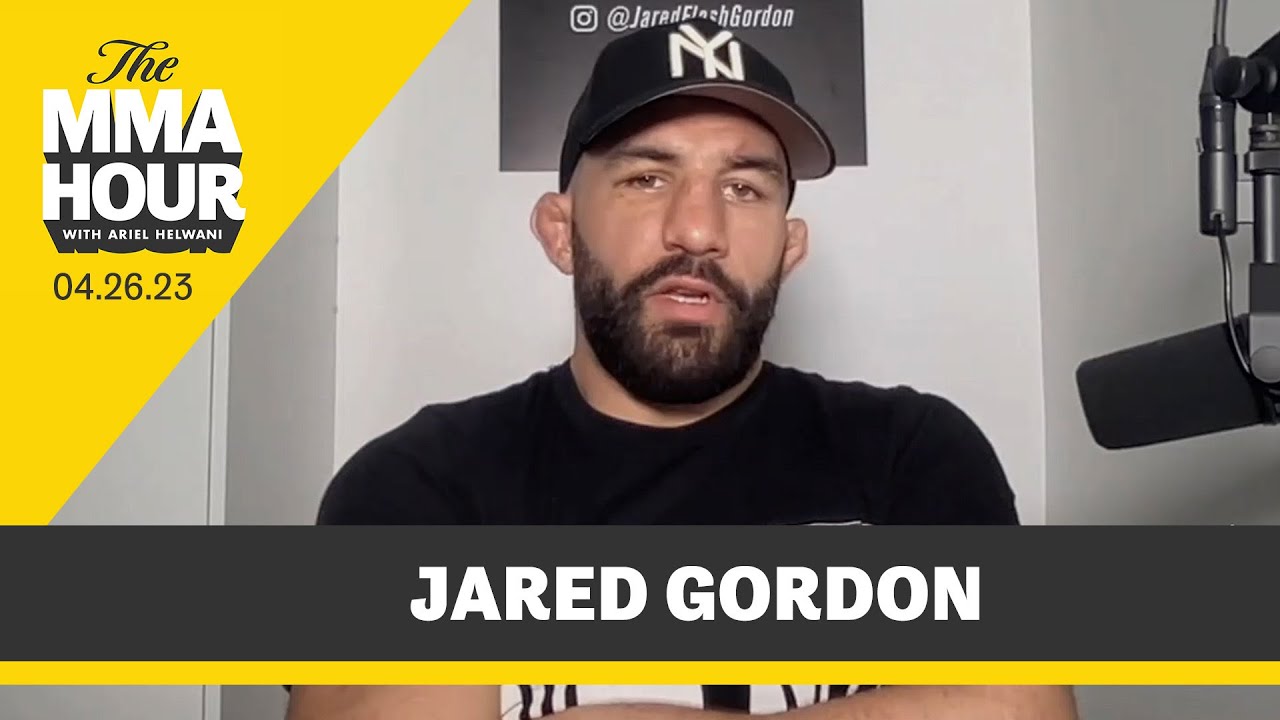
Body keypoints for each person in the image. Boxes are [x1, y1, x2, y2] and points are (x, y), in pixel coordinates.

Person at [286, 17, 1077, 720]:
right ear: (560, 233)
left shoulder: (909, 453)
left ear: (789, 248)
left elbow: (1020, 706)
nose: (698, 230)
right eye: (647, 178)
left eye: (743, 187)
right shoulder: (424, 483)